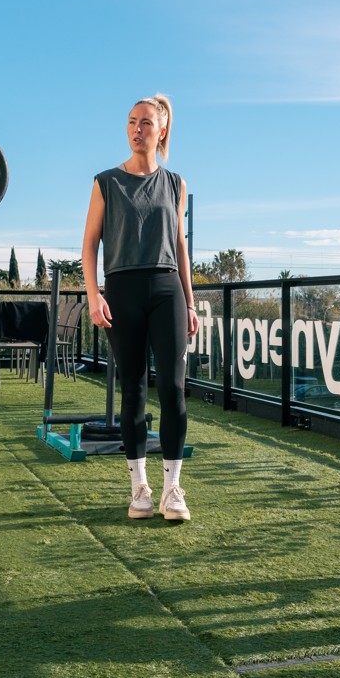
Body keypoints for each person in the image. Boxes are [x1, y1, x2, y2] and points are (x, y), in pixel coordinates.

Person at [82, 94, 199, 521]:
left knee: (172, 388)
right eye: (132, 121)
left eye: (146, 122)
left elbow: (180, 246)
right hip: (122, 290)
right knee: (132, 389)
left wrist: (190, 301)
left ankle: (172, 489)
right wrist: (94, 294)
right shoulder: (106, 182)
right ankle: (139, 489)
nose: (137, 129)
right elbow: (89, 244)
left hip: (167, 288)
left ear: (162, 130)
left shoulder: (176, 184)